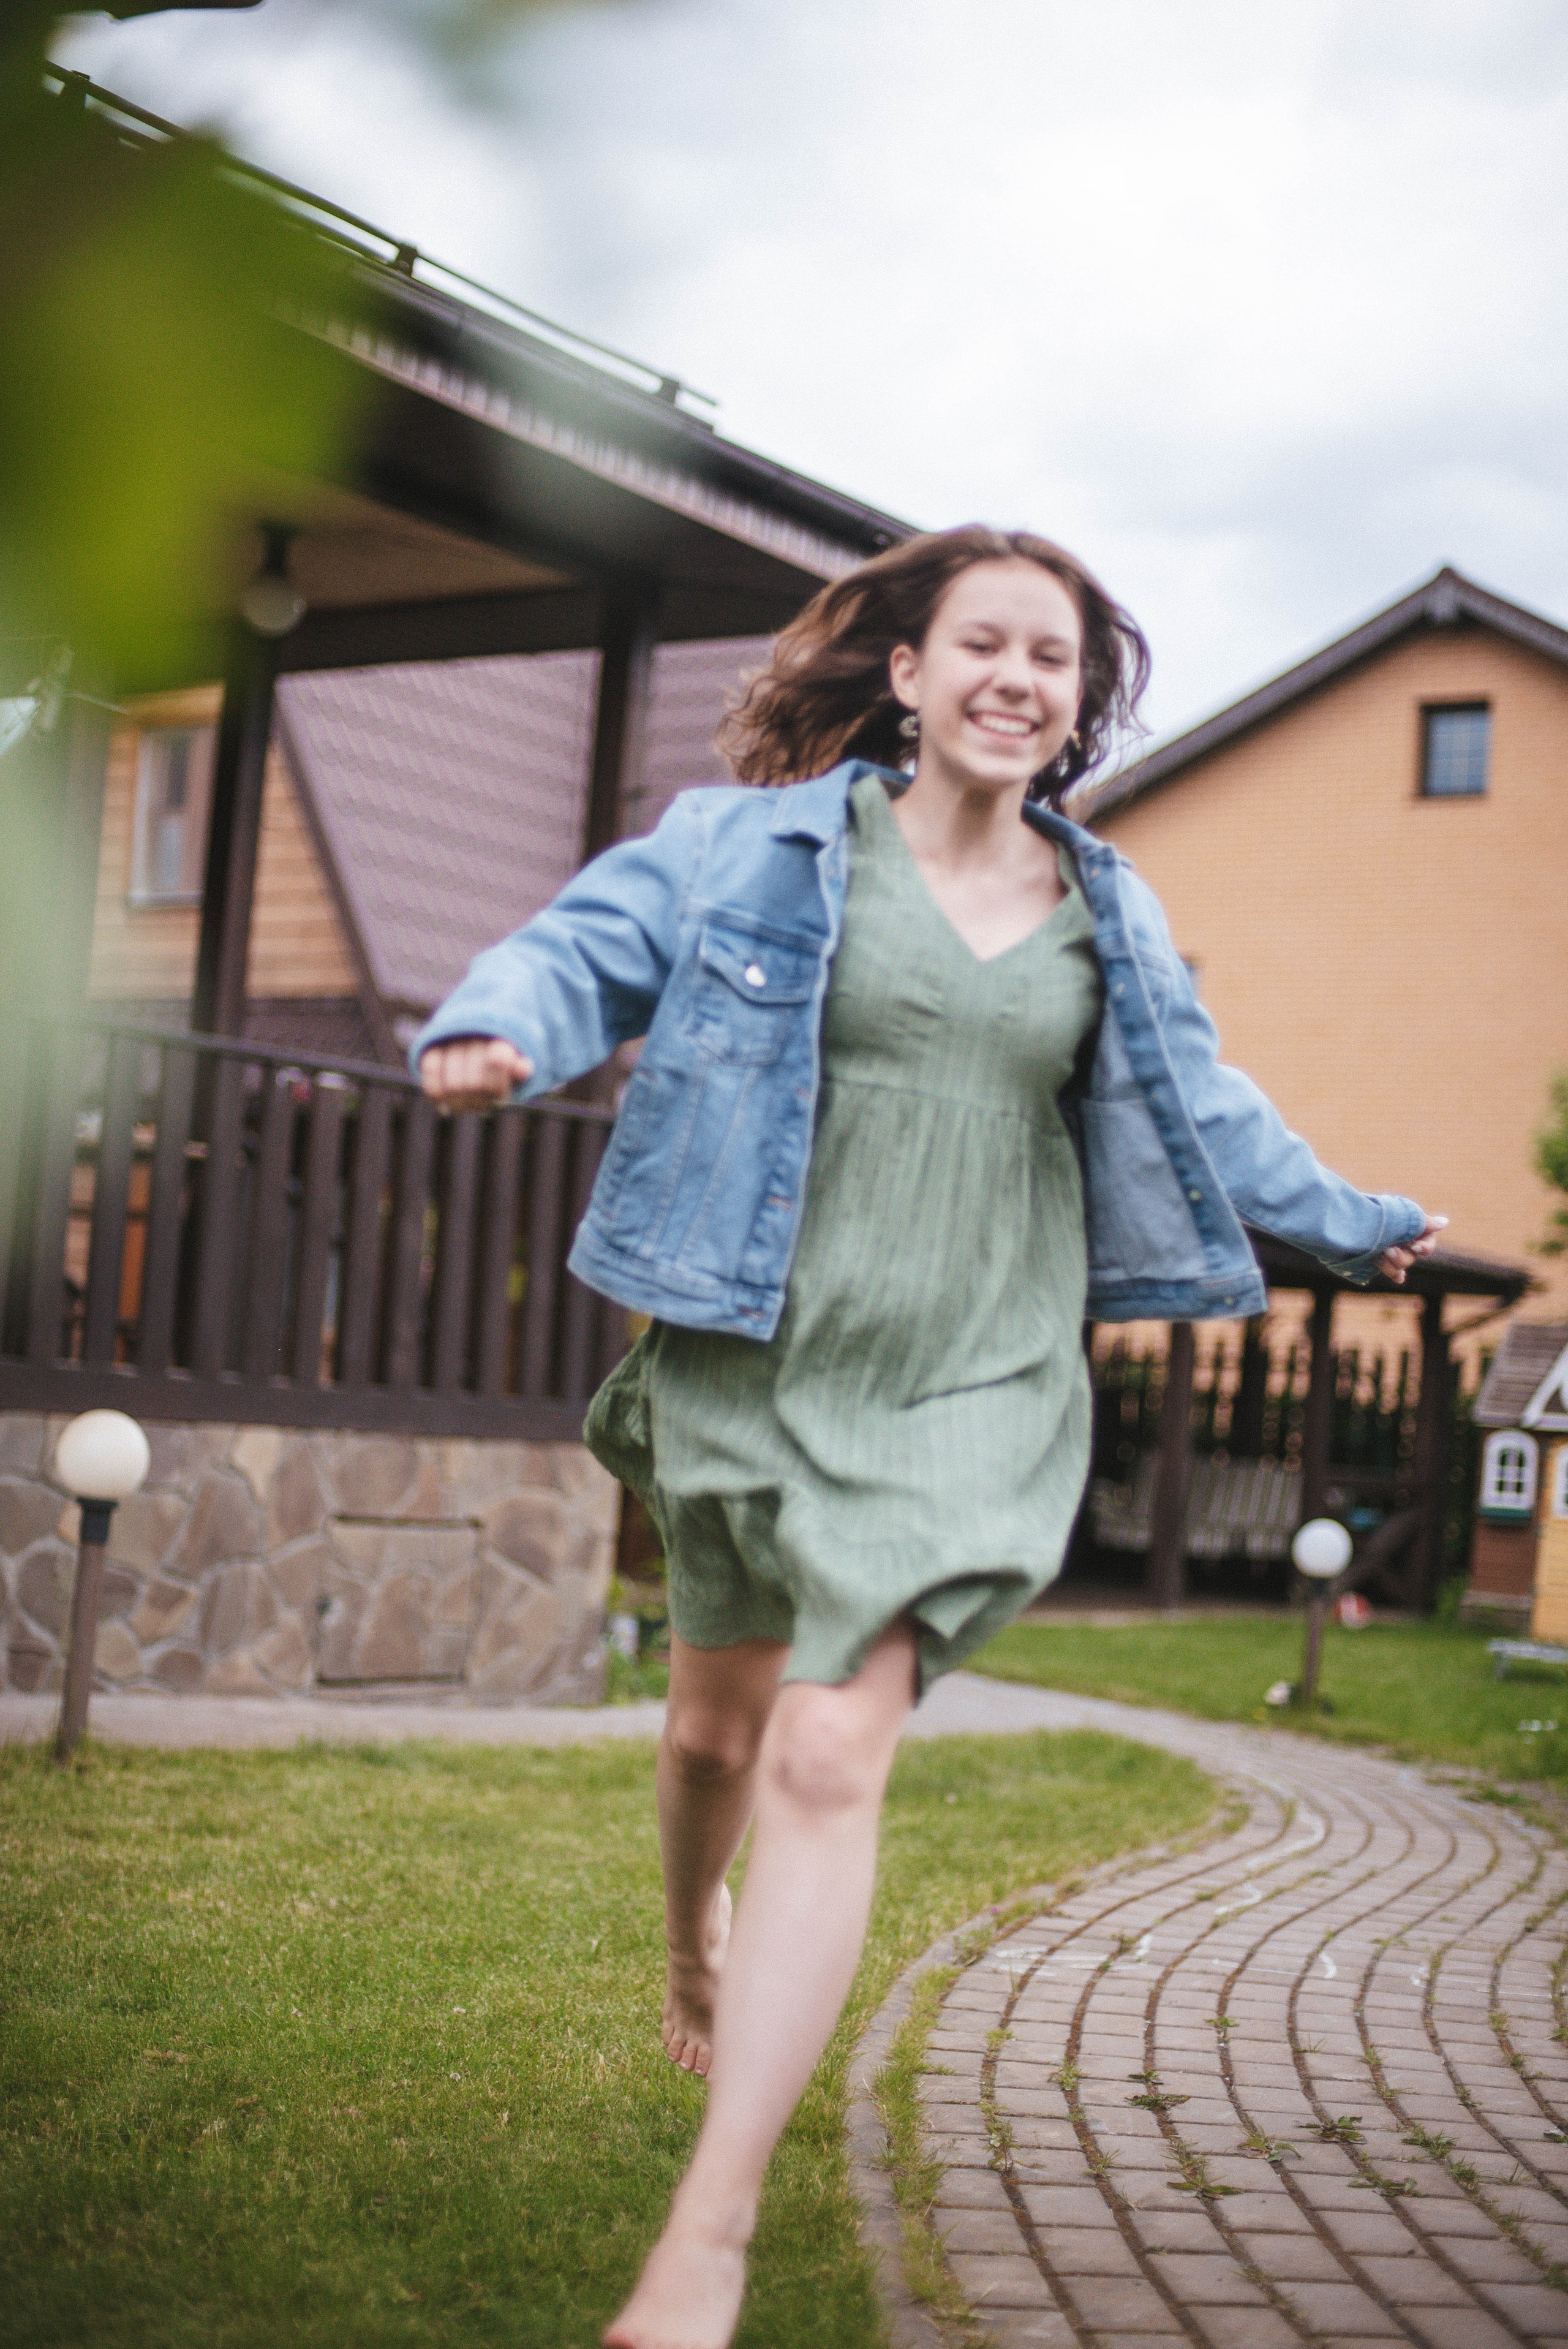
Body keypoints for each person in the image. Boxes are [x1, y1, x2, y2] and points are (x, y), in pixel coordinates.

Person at [415, 527, 1444, 2349]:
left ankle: (706, 2240)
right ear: (907, 670)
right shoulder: (759, 844)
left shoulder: (1106, 910)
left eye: (1052, 657)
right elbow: (600, 936)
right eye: (984, 642)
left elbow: (1206, 1109)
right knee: (717, 1730)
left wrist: (1354, 1213)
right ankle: (687, 1933)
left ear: (1075, 703)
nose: (1016, 677)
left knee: (828, 1747)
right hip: (760, 1348)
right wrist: (507, 1020)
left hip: (975, 1374)